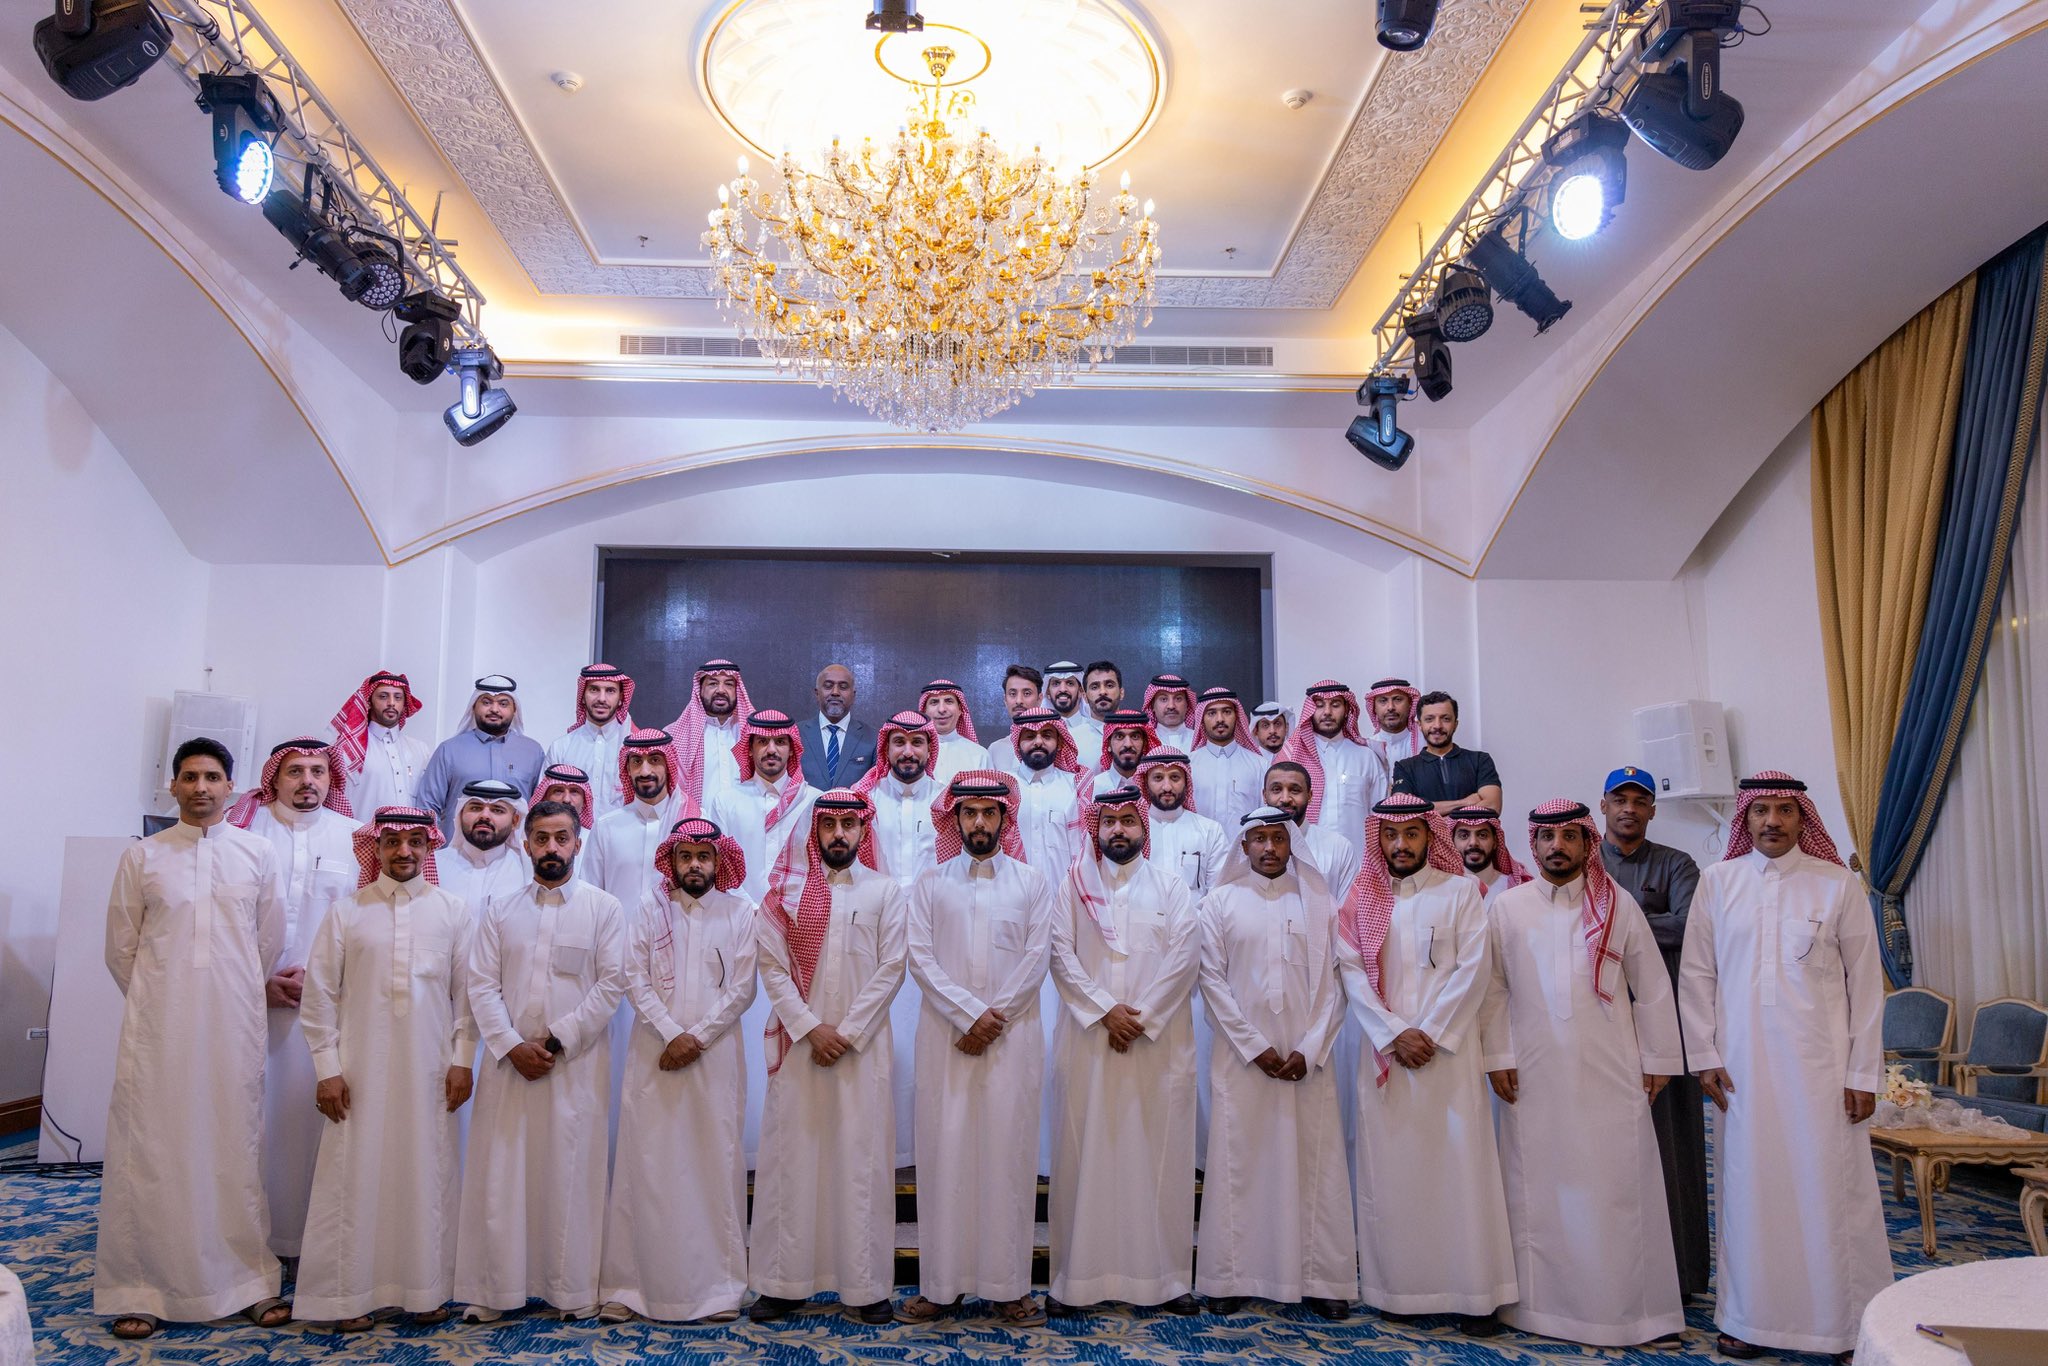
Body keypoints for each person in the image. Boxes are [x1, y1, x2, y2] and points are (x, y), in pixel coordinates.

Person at [1679, 772, 1889, 1363]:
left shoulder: (1836, 884)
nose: (1772, 820)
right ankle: (1749, 1320)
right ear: (1744, 817)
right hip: (1740, 1073)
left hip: (1822, 1070)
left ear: (1803, 819)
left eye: (1785, 810)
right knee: (1749, 1192)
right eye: (1761, 810)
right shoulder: (1718, 883)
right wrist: (1704, 1057)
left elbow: (1866, 986)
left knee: (1830, 1192)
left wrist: (1862, 1074)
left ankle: (1844, 1327)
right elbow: (1696, 975)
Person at [96, 737, 289, 1339]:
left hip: (233, 1024)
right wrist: (162, 999)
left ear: (231, 786)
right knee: (151, 1148)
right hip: (159, 1029)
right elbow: (121, 949)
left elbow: (268, 941)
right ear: (173, 786)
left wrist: (229, 991)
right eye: (189, 777)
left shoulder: (258, 853)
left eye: (211, 777)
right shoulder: (143, 857)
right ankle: (139, 1286)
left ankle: (247, 1281)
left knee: (233, 1144)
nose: (200, 787)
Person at [1479, 800, 1684, 1346]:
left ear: (1588, 843)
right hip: (1532, 1072)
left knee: (1617, 1187)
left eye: (1570, 836)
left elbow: (1652, 985)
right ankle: (1536, 1310)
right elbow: (1492, 991)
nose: (1557, 847)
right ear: (1532, 844)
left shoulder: (1618, 905)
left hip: (1611, 1068)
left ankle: (1634, 1314)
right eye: (1547, 837)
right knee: (1539, 1189)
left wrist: (1658, 1060)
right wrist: (1497, 1057)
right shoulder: (1507, 907)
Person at [1337, 794, 1514, 1333]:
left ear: (1429, 837)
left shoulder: (1461, 892)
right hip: (1388, 1056)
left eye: (1412, 834)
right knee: (1393, 1175)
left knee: (1461, 1172)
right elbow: (1351, 972)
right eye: (1391, 835)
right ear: (1378, 840)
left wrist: (1429, 1035)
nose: (1401, 844)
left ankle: (1474, 1295)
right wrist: (1395, 1035)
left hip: (1448, 1057)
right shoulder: (1360, 897)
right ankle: (1401, 1291)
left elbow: (1474, 969)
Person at [295, 807, 474, 1331]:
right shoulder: (346, 912)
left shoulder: (454, 911)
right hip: (358, 1071)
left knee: (427, 1171)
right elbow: (319, 997)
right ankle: (345, 1297)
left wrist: (463, 1061)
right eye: (392, 841)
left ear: (429, 848)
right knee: (353, 1174)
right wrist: (327, 1069)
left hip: (430, 1070)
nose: (404, 851)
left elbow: (467, 997)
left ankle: (425, 1290)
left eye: (415, 841)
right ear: (375, 848)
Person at [454, 800, 628, 1322]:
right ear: (525, 844)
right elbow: (480, 984)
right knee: (501, 1174)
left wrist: (554, 1042)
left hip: (573, 1065)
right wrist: (511, 1045)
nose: (552, 848)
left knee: (570, 1173)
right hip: (508, 1065)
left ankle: (571, 1291)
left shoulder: (604, 909)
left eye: (562, 838)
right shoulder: (500, 909)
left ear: (578, 844)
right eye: (542, 838)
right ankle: (495, 1291)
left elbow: (612, 984)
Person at [898, 773, 1057, 1327]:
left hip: (1011, 1041)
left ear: (1004, 820)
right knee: (944, 1158)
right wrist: (968, 1015)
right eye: (970, 813)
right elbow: (919, 956)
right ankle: (941, 1288)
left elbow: (1038, 957)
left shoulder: (1033, 883)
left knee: (1008, 1159)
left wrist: (992, 1019)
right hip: (947, 1041)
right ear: (956, 819)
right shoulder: (930, 884)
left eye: (990, 813)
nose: (980, 822)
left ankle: (1009, 1288)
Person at [749, 791, 909, 1326]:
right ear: (814, 831)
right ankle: (783, 1284)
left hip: (862, 1052)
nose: (839, 833)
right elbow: (772, 969)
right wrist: (810, 1028)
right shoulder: (785, 896)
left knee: (861, 1164)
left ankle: (864, 1286)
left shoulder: (885, 891)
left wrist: (847, 1032)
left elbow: (892, 968)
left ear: (863, 830)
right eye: (829, 824)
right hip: (801, 1048)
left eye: (849, 824)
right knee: (791, 1162)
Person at [1193, 808, 1354, 1321]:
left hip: (1307, 1060)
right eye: (1258, 839)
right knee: (1239, 1163)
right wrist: (1252, 1045)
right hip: (1243, 1060)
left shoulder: (1320, 905)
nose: (1268, 848)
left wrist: (1311, 1046)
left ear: (1292, 845)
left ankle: (1322, 1279)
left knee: (1315, 1164)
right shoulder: (1218, 903)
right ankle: (1230, 1276)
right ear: (1243, 846)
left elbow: (1338, 984)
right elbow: (1210, 980)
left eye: (1277, 839)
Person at [1046, 788, 1202, 1316]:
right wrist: (1104, 1012)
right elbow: (1060, 954)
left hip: (1155, 1045)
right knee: (1084, 1153)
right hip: (1090, 1042)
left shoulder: (1171, 886)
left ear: (1143, 827)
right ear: (1095, 828)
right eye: (1108, 820)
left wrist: (1141, 1018)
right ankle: (1076, 1281)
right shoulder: (1072, 887)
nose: (1118, 829)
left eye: (1128, 820)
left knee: (1160, 1156)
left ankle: (1166, 1281)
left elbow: (1185, 957)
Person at [598, 818, 757, 1325]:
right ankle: (629, 1288)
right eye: (685, 856)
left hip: (715, 1057)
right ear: (671, 861)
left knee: (714, 1163)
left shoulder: (741, 911)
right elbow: (633, 977)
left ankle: (718, 1290)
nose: (694, 865)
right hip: (654, 1052)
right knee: (645, 1163)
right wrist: (672, 1034)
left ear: (719, 861)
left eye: (703, 856)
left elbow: (743, 988)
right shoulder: (650, 910)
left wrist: (697, 1038)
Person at [228, 738, 359, 1265]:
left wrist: (324, 981)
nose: (308, 781)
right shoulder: (242, 834)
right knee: (251, 1121)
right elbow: (226, 921)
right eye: (296, 771)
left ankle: (313, 1240)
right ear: (274, 779)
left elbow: (365, 920)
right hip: (250, 1003)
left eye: (318, 771)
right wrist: (259, 981)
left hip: (331, 1005)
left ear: (332, 779)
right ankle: (250, 1238)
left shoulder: (356, 837)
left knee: (315, 1121)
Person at [1599, 765, 1710, 1302]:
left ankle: (1681, 1274)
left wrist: (1614, 926)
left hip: (1662, 1023)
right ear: (1602, 806)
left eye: (1639, 801)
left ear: (1652, 810)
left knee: (1673, 1144)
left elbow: (1691, 926)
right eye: (1619, 799)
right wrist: (1650, 919)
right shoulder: (1583, 859)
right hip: (1598, 1025)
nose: (1628, 809)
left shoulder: (1676, 863)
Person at [707, 710, 821, 905]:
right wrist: (748, 909)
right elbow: (721, 865)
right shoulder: (725, 802)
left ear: (791, 749)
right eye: (762, 741)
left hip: (798, 915)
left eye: (780, 742)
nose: (771, 750)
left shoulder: (813, 801)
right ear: (750, 749)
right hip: (738, 913)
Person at [418, 676, 546, 837]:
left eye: (503, 703)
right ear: (473, 706)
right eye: (486, 702)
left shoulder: (532, 751)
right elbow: (428, 806)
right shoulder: (449, 750)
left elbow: (541, 808)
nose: (494, 709)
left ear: (515, 710)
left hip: (516, 850)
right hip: (458, 850)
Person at [583, 729, 693, 912]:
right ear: (627, 769)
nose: (645, 771)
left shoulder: (692, 820)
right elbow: (589, 897)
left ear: (669, 764)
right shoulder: (606, 827)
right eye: (636, 761)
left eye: (655, 760)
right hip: (617, 931)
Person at [1283, 680, 1389, 840]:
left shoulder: (1366, 757)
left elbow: (1379, 815)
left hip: (1357, 853)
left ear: (1346, 710)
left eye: (1335, 705)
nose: (1327, 712)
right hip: (1308, 852)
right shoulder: (1291, 757)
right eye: (1319, 705)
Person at [331, 670, 432, 815]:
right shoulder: (349, 748)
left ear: (404, 704)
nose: (391, 703)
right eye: (383, 696)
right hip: (360, 829)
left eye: (398, 697)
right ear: (369, 702)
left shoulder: (420, 749)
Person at [1135, 749, 1231, 895]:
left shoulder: (1210, 831)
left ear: (1186, 782)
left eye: (1175, 777)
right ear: (1145, 783)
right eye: (1158, 778)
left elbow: (1218, 892)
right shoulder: (1133, 832)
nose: (1167, 787)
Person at [1260, 761, 1361, 899]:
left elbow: (1347, 908)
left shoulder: (1339, 848)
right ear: (1264, 795)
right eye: (1276, 789)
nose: (1285, 799)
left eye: (1295, 790)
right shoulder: (1251, 848)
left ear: (1310, 795)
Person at [547, 664, 635, 820]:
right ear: (582, 695)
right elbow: (545, 804)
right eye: (594, 690)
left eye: (610, 691)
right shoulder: (561, 747)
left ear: (621, 697)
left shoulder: (634, 748)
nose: (602, 699)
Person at [1392, 691, 1503, 815]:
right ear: (1420, 725)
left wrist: (1429, 815)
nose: (1437, 725)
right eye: (1429, 719)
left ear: (1455, 724)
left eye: (1445, 719)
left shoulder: (1480, 760)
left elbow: (1492, 806)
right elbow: (1402, 811)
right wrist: (1464, 802)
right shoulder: (1405, 768)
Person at [665, 658, 753, 811]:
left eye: (729, 684)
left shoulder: (753, 734)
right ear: (700, 690)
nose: (721, 690)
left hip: (746, 823)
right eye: (713, 683)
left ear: (737, 691)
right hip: (695, 823)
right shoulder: (673, 736)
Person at [435, 778, 531, 914]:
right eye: (475, 808)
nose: (484, 816)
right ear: (460, 815)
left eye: (497, 810)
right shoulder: (434, 865)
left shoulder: (527, 869)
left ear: (515, 821)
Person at [1009, 707, 1086, 874]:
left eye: (1047, 736)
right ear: (1017, 742)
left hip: (1063, 889)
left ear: (1060, 743)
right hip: (1013, 888)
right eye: (1030, 736)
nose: (1038, 742)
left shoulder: (1076, 786)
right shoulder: (1005, 787)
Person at [1188, 686, 1268, 830]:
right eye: (1212, 713)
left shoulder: (1259, 765)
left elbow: (1265, 817)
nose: (1220, 719)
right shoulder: (1189, 765)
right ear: (1201, 719)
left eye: (1227, 712)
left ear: (1236, 716)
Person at [799, 663, 875, 793]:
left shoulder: (873, 738)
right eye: (828, 686)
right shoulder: (795, 734)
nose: (835, 692)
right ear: (817, 693)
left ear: (853, 695)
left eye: (843, 687)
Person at [1447, 805, 1531, 903]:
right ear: (1452, 842)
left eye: (1482, 835)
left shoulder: (1515, 887)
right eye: (1464, 836)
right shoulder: (1442, 888)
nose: (1473, 842)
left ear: (1495, 842)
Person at [919, 678, 988, 786]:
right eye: (934, 702)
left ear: (960, 709)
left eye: (949, 701)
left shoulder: (979, 755)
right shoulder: (913, 754)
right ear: (924, 711)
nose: (941, 709)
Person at [983, 664, 1045, 775]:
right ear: (1005, 700)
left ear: (1039, 699)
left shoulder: (1050, 747)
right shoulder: (995, 749)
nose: (1019, 701)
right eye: (1012, 694)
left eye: (1027, 693)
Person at [1088, 709, 1158, 795]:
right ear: (1108, 744)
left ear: (1144, 744)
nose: (1128, 744)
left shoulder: (1154, 788)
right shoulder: (1093, 788)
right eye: (1119, 737)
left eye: (1135, 737)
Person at [1044, 661, 1100, 759]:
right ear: (1048, 692)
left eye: (1070, 683)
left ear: (1081, 691)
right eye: (1056, 683)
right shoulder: (1040, 733)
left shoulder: (1097, 732)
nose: (1062, 689)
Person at [1362, 677, 1423, 766]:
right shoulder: (1366, 748)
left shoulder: (1426, 742)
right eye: (1383, 701)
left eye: (1398, 699)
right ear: (1374, 708)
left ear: (1410, 704)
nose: (1390, 707)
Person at [1142, 673, 1198, 754]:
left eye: (1178, 699)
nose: (1171, 706)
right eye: (1164, 699)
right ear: (1152, 706)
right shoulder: (1143, 743)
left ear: (1187, 705)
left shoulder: (1200, 741)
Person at [535, 763, 596, 829]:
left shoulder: (592, 835)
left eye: (574, 791)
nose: (566, 800)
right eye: (558, 791)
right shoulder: (531, 833)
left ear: (584, 802)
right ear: (545, 798)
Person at [1081, 660, 1126, 734]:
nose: (1102, 692)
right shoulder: (1074, 737)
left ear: (1121, 693)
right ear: (1085, 697)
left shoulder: (1137, 735)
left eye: (1109, 686)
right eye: (1095, 687)